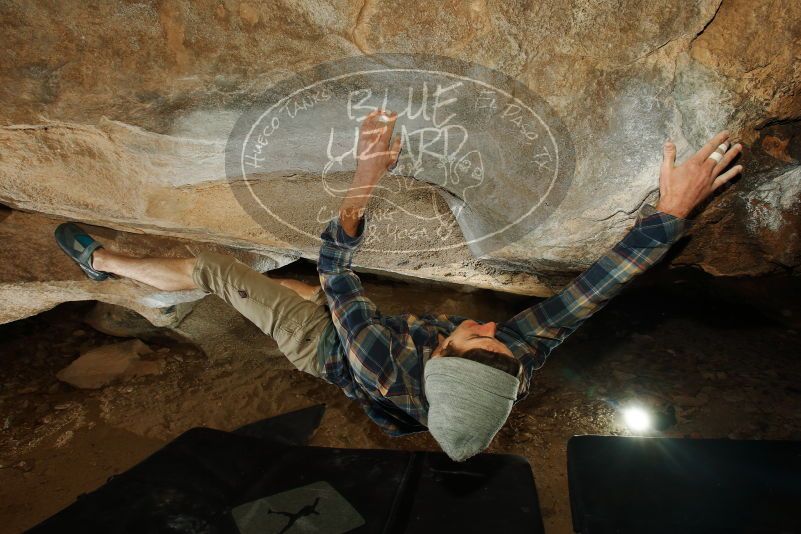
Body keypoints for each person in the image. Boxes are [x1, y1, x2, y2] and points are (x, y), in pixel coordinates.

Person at [55, 109, 743, 461]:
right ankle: (178, 289)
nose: (487, 325)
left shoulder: (381, 365)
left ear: (438, 360)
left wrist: (366, 177)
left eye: (471, 335)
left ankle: (105, 267)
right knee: (303, 288)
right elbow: (592, 292)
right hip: (391, 359)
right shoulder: (513, 356)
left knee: (222, 272)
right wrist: (670, 213)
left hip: (326, 348)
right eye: (498, 341)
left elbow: (336, 269)